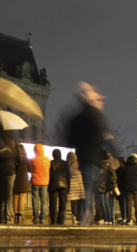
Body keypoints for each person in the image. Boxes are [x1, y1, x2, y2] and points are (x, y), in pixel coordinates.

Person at [67, 82, 115, 226]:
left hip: (83, 156)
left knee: (88, 188)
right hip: (94, 158)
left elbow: (69, 138)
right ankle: (87, 215)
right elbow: (106, 136)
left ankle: (87, 214)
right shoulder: (96, 116)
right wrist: (113, 152)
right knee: (89, 189)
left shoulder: (77, 118)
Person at [121, 153, 137, 225]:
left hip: (128, 187)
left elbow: (122, 176)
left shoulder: (125, 166)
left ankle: (129, 219)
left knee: (129, 203)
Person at [30, 144, 50, 224]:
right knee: (43, 201)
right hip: (44, 183)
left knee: (35, 200)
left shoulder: (32, 160)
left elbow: (30, 170)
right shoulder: (47, 160)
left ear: (35, 151)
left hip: (35, 182)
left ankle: (36, 217)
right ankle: (42, 218)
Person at [48, 148, 69, 225]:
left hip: (53, 186)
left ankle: (53, 220)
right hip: (63, 186)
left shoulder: (51, 163)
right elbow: (68, 176)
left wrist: (48, 186)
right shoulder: (65, 163)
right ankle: (61, 220)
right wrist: (68, 187)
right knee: (63, 204)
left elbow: (49, 175)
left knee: (53, 204)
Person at [13, 144, 31, 224]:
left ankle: (15, 213)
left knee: (15, 196)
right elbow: (31, 170)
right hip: (24, 180)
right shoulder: (27, 159)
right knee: (22, 197)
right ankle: (20, 214)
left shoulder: (15, 159)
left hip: (15, 179)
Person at [66, 152, 85, 224]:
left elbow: (68, 175)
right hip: (80, 186)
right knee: (80, 202)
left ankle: (75, 216)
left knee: (74, 202)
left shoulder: (68, 165)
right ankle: (80, 217)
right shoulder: (79, 164)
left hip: (72, 186)